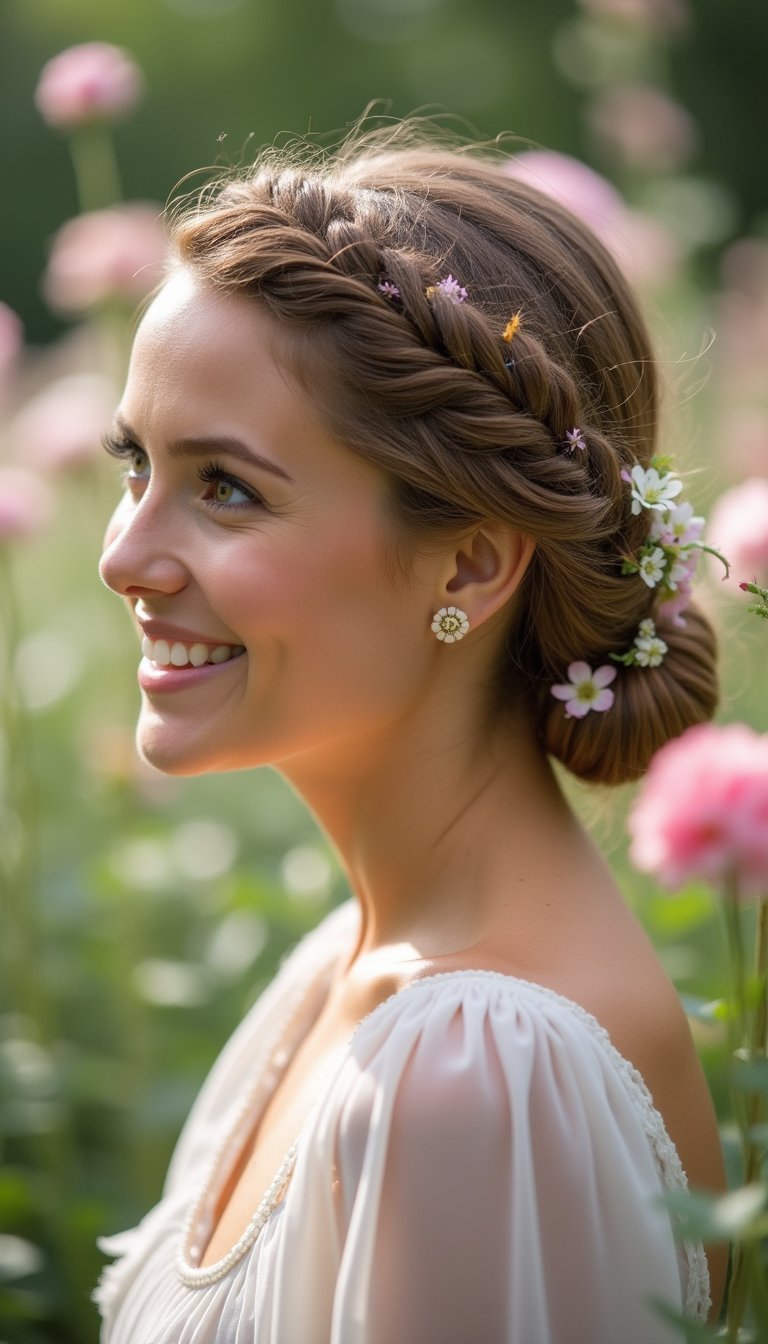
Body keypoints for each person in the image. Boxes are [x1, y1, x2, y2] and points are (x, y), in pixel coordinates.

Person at [93, 128, 728, 1343]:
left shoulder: (470, 1078)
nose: (124, 557)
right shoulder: (346, 972)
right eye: (137, 464)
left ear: (473, 561)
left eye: (225, 486)